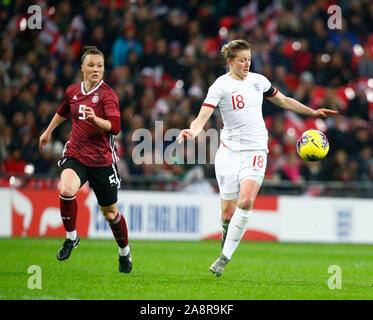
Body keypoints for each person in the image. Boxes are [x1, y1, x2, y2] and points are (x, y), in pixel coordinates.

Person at [177, 39, 338, 277]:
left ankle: (224, 257)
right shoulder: (220, 86)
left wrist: (312, 111)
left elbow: (283, 101)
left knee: (246, 201)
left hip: (256, 151)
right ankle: (226, 234)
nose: (247, 64)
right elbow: (202, 117)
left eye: (249, 59)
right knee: (227, 215)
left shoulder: (258, 81)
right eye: (242, 60)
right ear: (230, 61)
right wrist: (193, 130)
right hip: (229, 153)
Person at [39, 46, 132, 273]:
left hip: (102, 162)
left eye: (99, 66)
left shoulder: (108, 95)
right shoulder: (72, 91)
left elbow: (116, 128)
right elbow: (63, 111)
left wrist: (96, 119)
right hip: (76, 155)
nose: (96, 69)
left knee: (110, 214)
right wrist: (48, 131)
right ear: (82, 68)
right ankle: (72, 237)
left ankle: (124, 253)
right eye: (91, 65)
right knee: (67, 188)